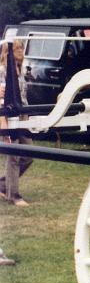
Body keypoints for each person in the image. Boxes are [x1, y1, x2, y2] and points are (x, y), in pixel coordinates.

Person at [0, 39, 33, 206]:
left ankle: (3, 185)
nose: (21, 51)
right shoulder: (2, 71)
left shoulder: (20, 71)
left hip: (22, 117)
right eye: (17, 48)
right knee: (13, 156)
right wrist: (3, 124)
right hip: (7, 117)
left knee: (28, 155)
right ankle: (14, 195)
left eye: (22, 47)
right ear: (9, 51)